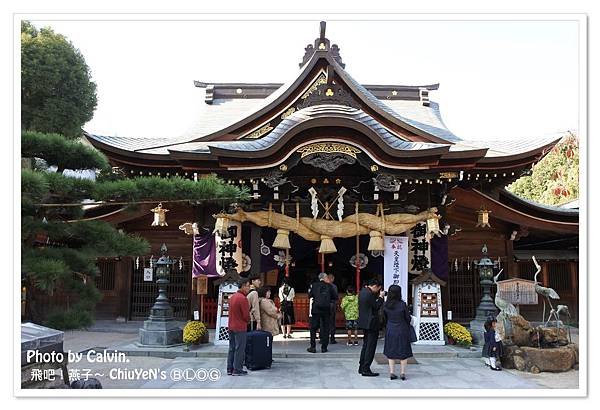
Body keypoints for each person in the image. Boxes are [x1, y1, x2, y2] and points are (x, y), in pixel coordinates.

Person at [382, 285, 413, 380]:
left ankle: (392, 372)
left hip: (390, 329)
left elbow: (384, 319)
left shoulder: (385, 305)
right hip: (402, 329)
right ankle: (402, 373)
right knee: (403, 350)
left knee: (391, 350)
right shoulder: (402, 304)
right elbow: (408, 318)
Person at [357, 278, 384, 377]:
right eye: (378, 289)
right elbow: (376, 306)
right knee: (370, 347)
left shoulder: (362, 291)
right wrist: (381, 297)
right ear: (375, 286)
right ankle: (366, 368)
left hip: (364, 322)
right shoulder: (370, 294)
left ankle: (361, 367)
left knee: (365, 345)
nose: (378, 291)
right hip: (371, 323)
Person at [307, 272, 337, 353]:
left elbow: (310, 296)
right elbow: (335, 297)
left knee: (313, 328)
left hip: (316, 309)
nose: (328, 278)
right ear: (324, 278)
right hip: (326, 310)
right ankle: (324, 347)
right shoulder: (329, 286)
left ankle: (313, 347)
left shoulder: (314, 285)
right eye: (327, 277)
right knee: (326, 328)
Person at [227, 278, 251, 376]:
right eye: (248, 286)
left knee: (232, 348)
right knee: (240, 349)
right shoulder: (243, 298)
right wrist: (249, 320)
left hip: (231, 325)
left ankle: (230, 368)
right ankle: (237, 369)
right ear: (244, 286)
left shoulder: (232, 297)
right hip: (240, 327)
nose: (249, 288)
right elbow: (246, 315)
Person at [327, 273, 339, 344]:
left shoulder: (324, 286)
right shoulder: (334, 286)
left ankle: (323, 337)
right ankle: (332, 338)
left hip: (325, 305)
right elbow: (336, 296)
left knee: (324, 322)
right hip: (332, 305)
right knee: (332, 322)